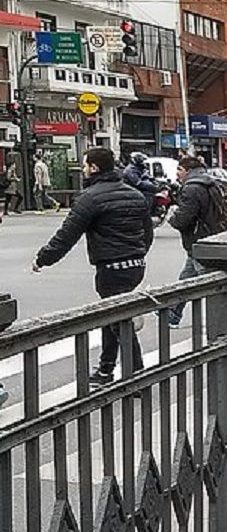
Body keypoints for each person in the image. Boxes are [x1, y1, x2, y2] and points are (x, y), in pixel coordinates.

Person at [32, 147, 153, 385]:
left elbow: (67, 235)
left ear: (94, 168)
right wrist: (137, 253)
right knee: (113, 316)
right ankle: (106, 369)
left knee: (119, 320)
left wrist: (43, 259)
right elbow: (147, 232)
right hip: (136, 265)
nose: (83, 169)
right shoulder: (134, 194)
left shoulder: (90, 198)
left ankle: (137, 374)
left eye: (85, 165)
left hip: (111, 268)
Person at [166, 156, 227, 326]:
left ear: (187, 170)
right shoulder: (211, 183)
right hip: (212, 238)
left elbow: (183, 218)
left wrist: (172, 218)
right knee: (187, 279)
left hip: (200, 241)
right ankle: (173, 313)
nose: (177, 174)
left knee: (211, 283)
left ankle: (222, 323)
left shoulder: (191, 188)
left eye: (179, 170)